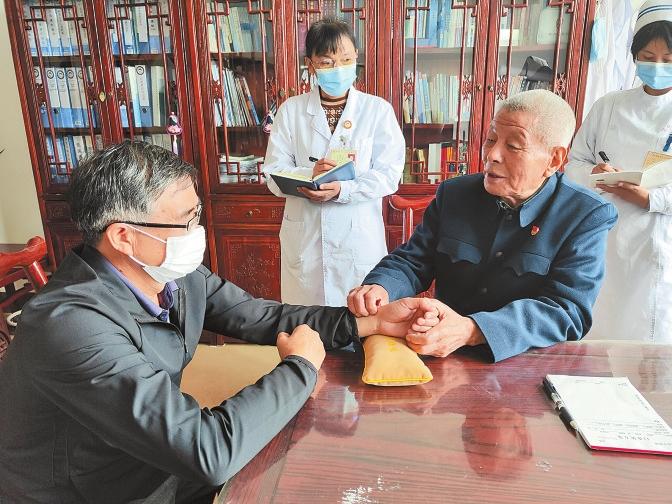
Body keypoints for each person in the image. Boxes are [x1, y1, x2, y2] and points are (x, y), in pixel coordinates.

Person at [0, 141, 437, 503]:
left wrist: (369, 324)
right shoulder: (71, 324)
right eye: (186, 220)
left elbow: (260, 315)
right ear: (123, 236)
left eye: (197, 214)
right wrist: (299, 368)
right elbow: (207, 451)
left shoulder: (173, 275)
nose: (197, 232)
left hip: (152, 459)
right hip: (94, 489)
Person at [348, 90, 618, 362]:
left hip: (525, 362)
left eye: (513, 146)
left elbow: (568, 310)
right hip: (440, 352)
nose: (492, 154)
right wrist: (380, 287)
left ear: (554, 160)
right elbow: (413, 260)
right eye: (491, 139)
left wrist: (474, 329)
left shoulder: (585, 215)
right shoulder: (455, 193)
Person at [263, 18, 405, 306]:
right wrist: (309, 174)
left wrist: (343, 190)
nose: (338, 68)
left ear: (356, 58)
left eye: (346, 60)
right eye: (327, 62)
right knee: (306, 320)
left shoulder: (377, 110)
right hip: (306, 238)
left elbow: (389, 175)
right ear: (310, 65)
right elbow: (273, 173)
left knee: (360, 317)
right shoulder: (291, 111)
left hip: (358, 238)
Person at [564, 0, 672, 343]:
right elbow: (573, 163)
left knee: (646, 332)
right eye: (648, 56)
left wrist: (651, 198)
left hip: (656, 237)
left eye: (668, 59)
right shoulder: (609, 105)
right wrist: (596, 173)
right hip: (603, 234)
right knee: (598, 325)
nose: (657, 66)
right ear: (635, 55)